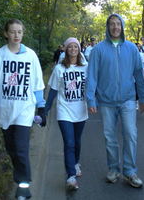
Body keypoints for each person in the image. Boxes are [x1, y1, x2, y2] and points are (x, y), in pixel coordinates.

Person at [0, 19, 46, 200]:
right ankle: (20, 177)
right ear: (6, 34)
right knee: (11, 148)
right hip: (4, 110)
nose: (16, 35)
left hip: (24, 110)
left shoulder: (31, 56)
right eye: (13, 32)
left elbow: (37, 85)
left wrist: (41, 108)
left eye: (19, 32)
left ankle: (23, 186)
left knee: (21, 149)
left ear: (23, 33)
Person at [86, 14, 144, 188]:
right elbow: (92, 76)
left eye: (118, 24)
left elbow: (139, 74)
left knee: (130, 134)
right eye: (112, 24)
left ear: (122, 27)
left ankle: (129, 171)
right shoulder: (98, 50)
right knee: (110, 137)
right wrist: (91, 99)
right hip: (106, 101)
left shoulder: (131, 49)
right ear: (107, 27)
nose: (115, 27)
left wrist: (142, 97)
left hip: (127, 99)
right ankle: (113, 169)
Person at [45, 37, 88, 190]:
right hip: (64, 110)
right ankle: (70, 176)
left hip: (81, 110)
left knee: (76, 141)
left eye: (75, 47)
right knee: (69, 143)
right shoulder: (59, 69)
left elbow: (93, 87)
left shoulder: (86, 67)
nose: (73, 49)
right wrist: (45, 110)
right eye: (70, 47)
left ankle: (76, 163)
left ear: (79, 49)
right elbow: (53, 91)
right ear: (65, 49)